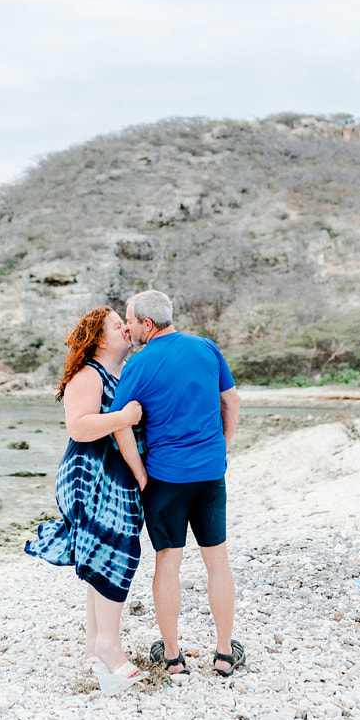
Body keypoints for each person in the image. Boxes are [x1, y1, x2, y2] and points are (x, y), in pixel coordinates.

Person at [109, 290, 243, 677]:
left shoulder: (138, 365)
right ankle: (222, 654)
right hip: (209, 474)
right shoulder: (206, 348)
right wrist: (221, 448)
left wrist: (139, 473)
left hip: (165, 478)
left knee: (168, 563)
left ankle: (171, 657)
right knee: (217, 560)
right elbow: (231, 402)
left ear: (147, 325)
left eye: (131, 321)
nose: (128, 328)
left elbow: (120, 424)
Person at [24, 306, 148, 693]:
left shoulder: (118, 373)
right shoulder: (89, 374)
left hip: (112, 474)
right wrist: (125, 416)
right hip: (91, 475)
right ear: (99, 339)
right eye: (117, 326)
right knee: (118, 553)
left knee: (102, 555)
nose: (125, 329)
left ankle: (95, 647)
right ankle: (110, 649)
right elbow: (78, 427)